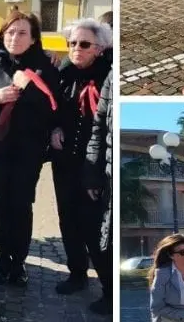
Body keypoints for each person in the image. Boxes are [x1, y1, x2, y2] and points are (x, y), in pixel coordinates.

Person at [0, 11, 62, 286]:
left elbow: (58, 106)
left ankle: (19, 261)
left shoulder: (47, 66)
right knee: (2, 202)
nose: (15, 37)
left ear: (34, 37)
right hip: (0, 147)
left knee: (22, 203)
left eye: (22, 32)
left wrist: (56, 128)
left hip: (30, 148)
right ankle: (2, 258)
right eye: (10, 32)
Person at [53, 18, 114, 297]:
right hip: (65, 161)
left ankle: (108, 288)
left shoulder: (107, 77)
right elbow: (52, 108)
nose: (76, 48)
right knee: (68, 220)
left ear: (100, 48)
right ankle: (77, 274)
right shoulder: (64, 74)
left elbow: (105, 127)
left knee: (93, 227)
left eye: (84, 44)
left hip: (96, 167)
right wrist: (53, 127)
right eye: (72, 43)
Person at [85, 72, 114, 315]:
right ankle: (108, 293)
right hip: (106, 175)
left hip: (115, 177)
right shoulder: (112, 78)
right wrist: (93, 173)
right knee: (102, 239)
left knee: (108, 239)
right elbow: (98, 126)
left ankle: (111, 296)